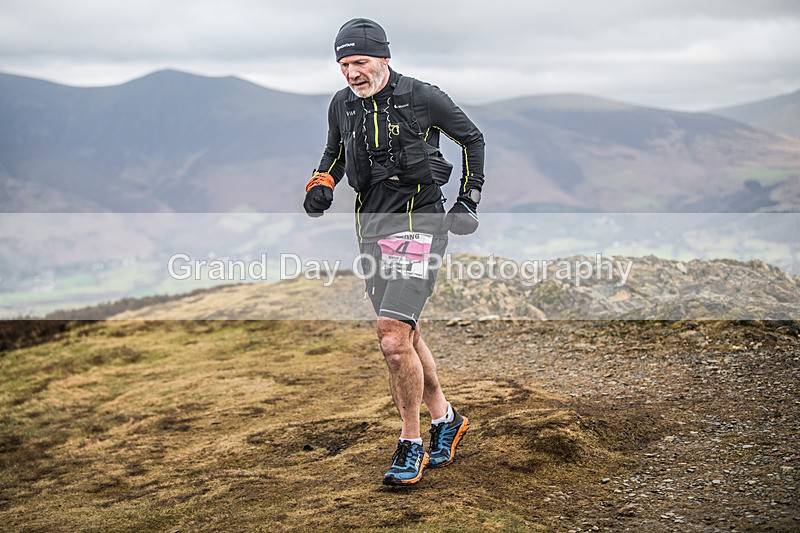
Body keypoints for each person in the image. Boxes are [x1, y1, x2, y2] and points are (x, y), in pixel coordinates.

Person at [303, 18, 485, 486]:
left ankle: (410, 443)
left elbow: (472, 139)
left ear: (383, 57)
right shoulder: (342, 104)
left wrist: (468, 199)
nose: (351, 73)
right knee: (406, 332)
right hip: (371, 229)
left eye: (359, 62)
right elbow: (334, 153)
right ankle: (447, 420)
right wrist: (321, 183)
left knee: (390, 336)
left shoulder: (423, 96)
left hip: (419, 224)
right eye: (343, 65)